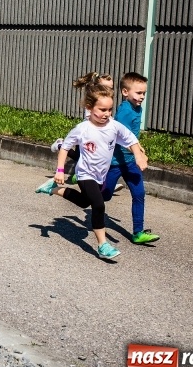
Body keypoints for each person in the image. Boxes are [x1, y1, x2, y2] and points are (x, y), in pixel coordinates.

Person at [43, 83, 148, 260]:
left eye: (109, 110)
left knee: (84, 202)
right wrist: (60, 170)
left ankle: (53, 189)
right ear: (89, 108)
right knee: (98, 205)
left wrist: (138, 155)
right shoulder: (82, 129)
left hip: (101, 175)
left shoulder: (114, 126)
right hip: (85, 174)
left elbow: (131, 140)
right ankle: (103, 245)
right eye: (102, 110)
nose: (107, 114)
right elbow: (65, 148)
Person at [101, 73, 159, 245]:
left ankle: (138, 232)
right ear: (125, 92)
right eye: (138, 93)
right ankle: (87, 186)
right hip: (115, 162)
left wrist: (138, 149)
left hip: (130, 162)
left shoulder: (137, 108)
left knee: (139, 194)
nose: (141, 97)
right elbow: (120, 136)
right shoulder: (125, 110)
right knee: (105, 195)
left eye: (144, 93)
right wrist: (138, 153)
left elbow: (132, 136)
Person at [37, 72, 118, 193]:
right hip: (88, 136)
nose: (108, 90)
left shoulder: (106, 104)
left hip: (99, 137)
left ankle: (103, 184)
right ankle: (61, 145)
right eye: (105, 87)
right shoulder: (93, 104)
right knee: (82, 157)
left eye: (111, 88)